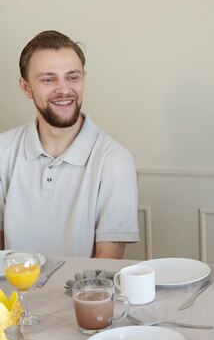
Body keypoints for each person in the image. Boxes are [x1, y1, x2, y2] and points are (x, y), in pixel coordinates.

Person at [0, 30, 139, 259]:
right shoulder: (3, 152)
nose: (64, 89)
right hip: (13, 294)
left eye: (72, 77)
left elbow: (104, 267)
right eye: (48, 79)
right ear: (26, 87)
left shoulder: (115, 161)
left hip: (79, 294)